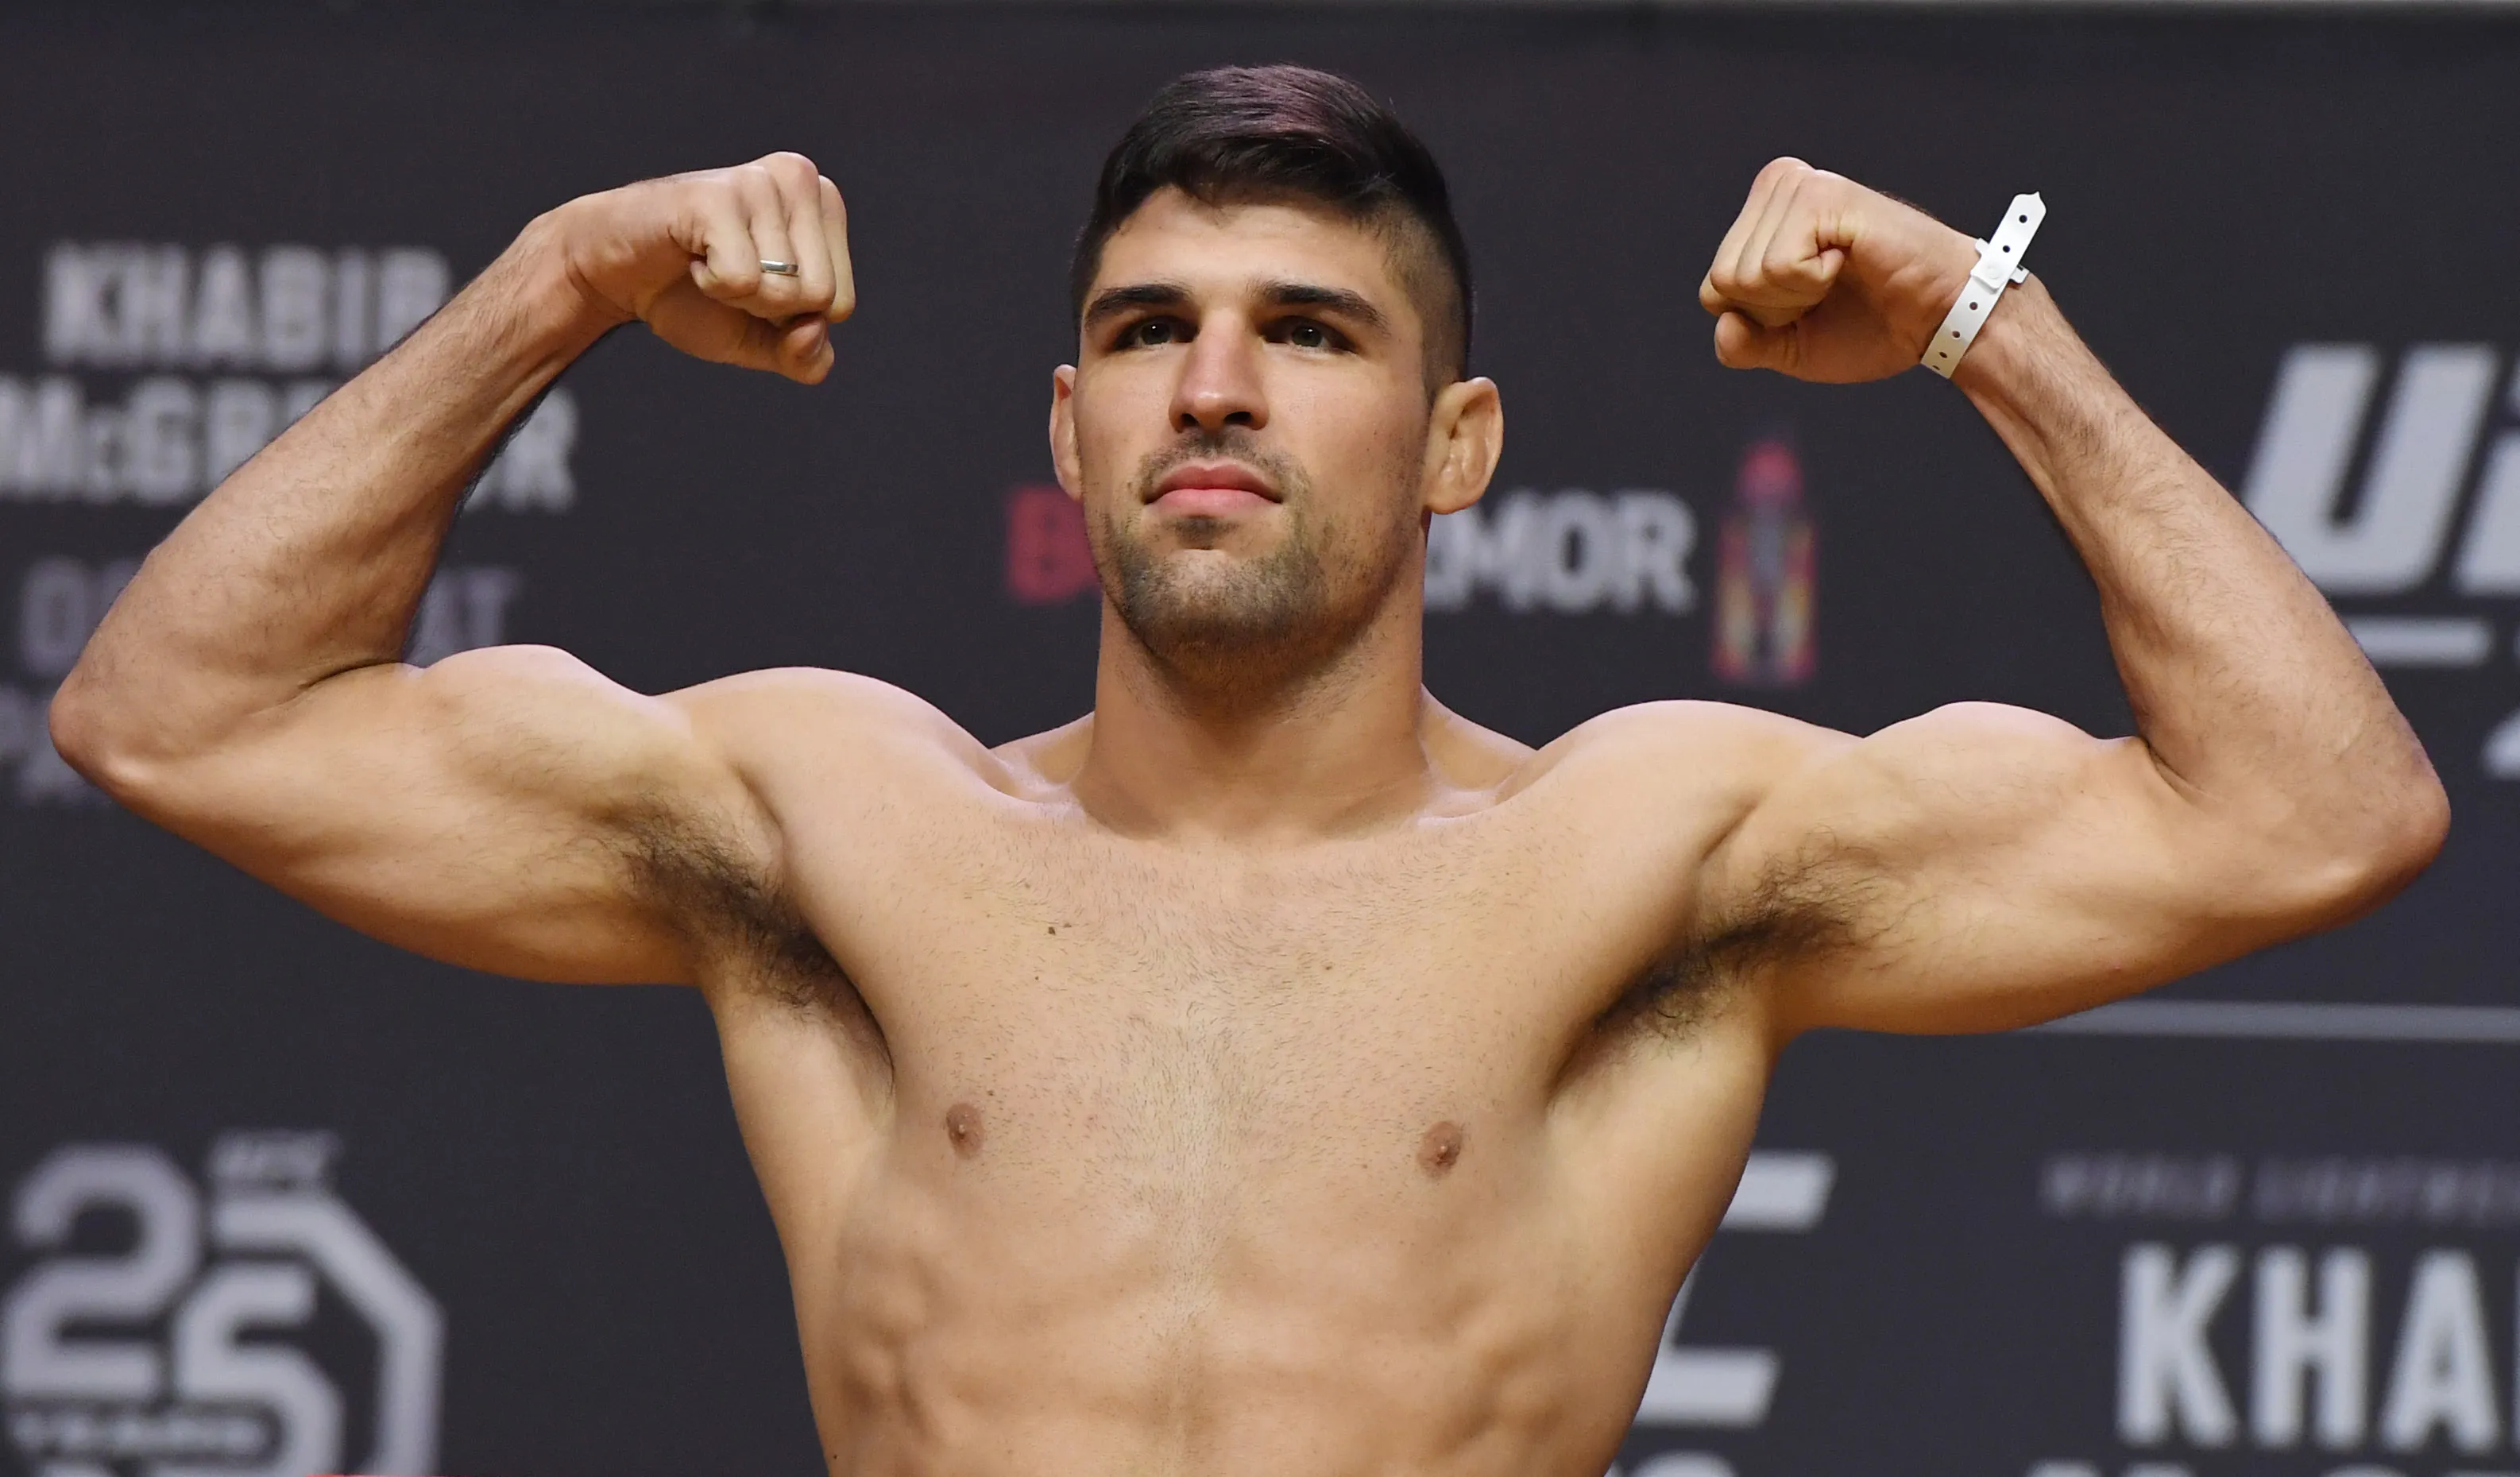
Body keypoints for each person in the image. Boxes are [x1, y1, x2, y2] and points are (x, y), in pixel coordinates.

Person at [52, 63, 2444, 1477]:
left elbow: (2312, 809)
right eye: (1148, 333)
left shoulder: (1647, 852)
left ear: (1456, 444)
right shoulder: (832, 819)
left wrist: (1975, 327)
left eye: (1307, 334)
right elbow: (181, 712)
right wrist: (562, 275)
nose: (1214, 385)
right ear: (1068, 430)